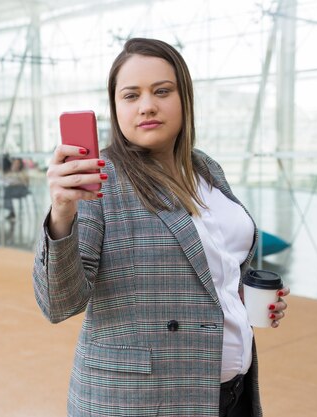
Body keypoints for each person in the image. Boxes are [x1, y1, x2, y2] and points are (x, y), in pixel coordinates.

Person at [32, 38, 289, 417]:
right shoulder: (102, 179)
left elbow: (213, 271)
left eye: (162, 91)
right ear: (115, 107)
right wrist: (61, 213)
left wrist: (246, 297)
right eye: (131, 95)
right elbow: (58, 303)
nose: (147, 105)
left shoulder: (206, 169)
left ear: (184, 97)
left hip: (231, 394)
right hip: (144, 400)